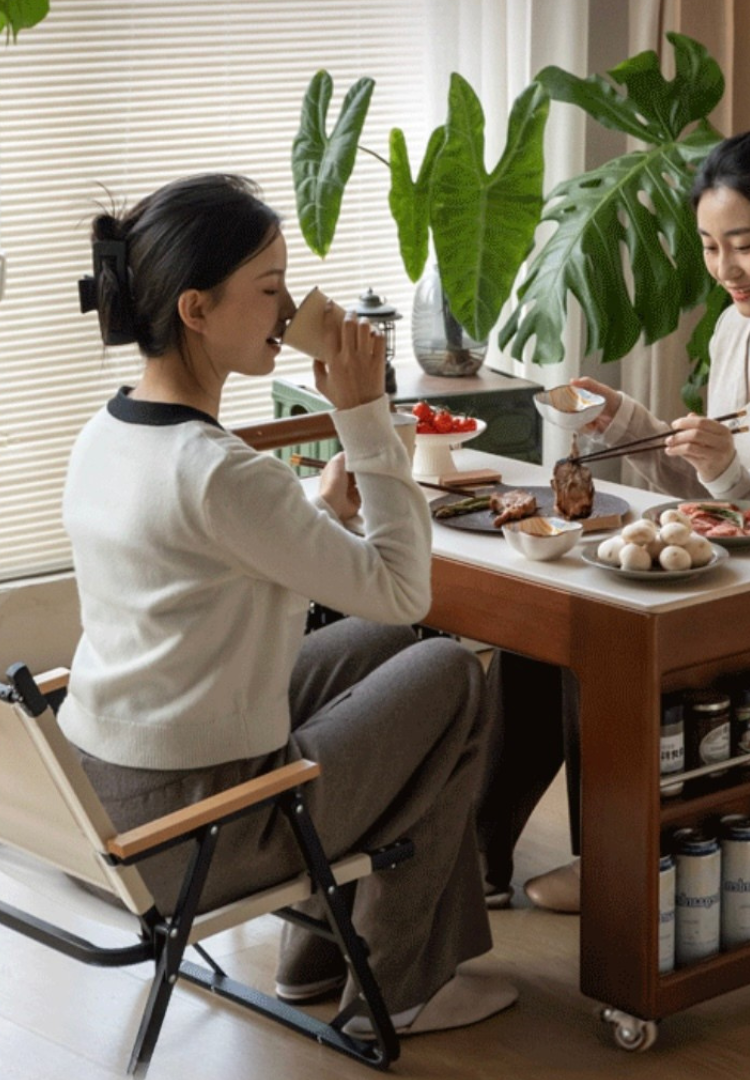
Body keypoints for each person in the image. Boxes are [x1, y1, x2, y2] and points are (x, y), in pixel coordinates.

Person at [60, 173, 516, 1036]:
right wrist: (365, 415)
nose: (290, 307)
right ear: (197, 309)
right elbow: (402, 590)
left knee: (385, 651)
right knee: (450, 671)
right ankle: (401, 988)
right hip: (208, 829)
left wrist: (317, 511)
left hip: (114, 799)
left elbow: (198, 552)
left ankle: (315, 956)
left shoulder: (106, 434)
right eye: (269, 288)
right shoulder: (226, 474)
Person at [478, 127, 750, 914]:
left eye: (743, 245)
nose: (724, 269)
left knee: (596, 651)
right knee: (541, 633)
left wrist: (730, 474)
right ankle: (481, 859)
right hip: (731, 588)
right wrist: (624, 420)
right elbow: (710, 495)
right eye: (710, 247)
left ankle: (614, 864)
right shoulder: (742, 325)